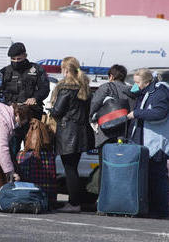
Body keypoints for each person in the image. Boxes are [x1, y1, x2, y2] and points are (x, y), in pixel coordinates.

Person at [0, 42, 50, 159]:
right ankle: (11, 174)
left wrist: (36, 98)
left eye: (19, 59)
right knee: (10, 150)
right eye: (13, 59)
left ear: (25, 55)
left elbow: (45, 88)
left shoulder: (37, 70)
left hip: (32, 117)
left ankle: (30, 175)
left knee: (33, 149)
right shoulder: (4, 72)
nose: (16, 62)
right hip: (12, 117)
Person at [50, 57, 91, 213]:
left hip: (68, 134)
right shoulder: (84, 87)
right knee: (73, 168)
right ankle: (75, 201)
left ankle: (74, 203)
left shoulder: (66, 88)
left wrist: (51, 109)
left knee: (70, 169)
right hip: (82, 132)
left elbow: (57, 111)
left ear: (65, 70)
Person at [127, 68, 169, 219]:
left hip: (156, 143)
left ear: (147, 82)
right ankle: (152, 207)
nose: (136, 85)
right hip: (145, 141)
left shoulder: (160, 93)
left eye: (138, 82)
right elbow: (133, 93)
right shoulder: (146, 91)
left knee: (157, 177)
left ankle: (162, 210)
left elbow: (160, 113)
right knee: (149, 177)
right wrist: (135, 88)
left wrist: (137, 113)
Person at [89, 64, 135, 193]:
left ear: (111, 76)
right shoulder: (131, 91)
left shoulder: (106, 88)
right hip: (125, 135)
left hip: (106, 135)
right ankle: (120, 197)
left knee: (105, 167)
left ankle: (104, 199)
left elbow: (93, 107)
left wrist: (92, 120)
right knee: (122, 168)